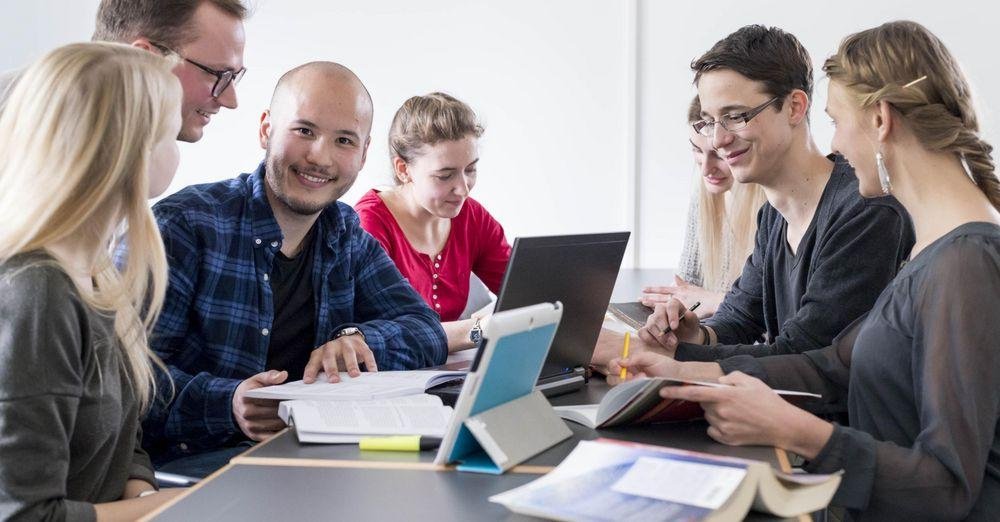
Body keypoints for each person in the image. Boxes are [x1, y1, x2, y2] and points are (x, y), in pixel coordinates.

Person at [614, 20, 1000, 519]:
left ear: (880, 120)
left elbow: (946, 487)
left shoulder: (966, 263)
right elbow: (831, 366)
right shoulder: (935, 250)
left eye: (837, 121)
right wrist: (679, 370)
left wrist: (795, 431)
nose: (835, 145)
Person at [141, 62, 448, 478]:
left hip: (318, 460)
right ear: (267, 128)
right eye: (304, 131)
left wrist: (358, 339)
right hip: (203, 468)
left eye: (343, 140)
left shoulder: (344, 233)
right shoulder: (185, 225)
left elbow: (426, 330)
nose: (319, 156)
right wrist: (229, 403)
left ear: (362, 153)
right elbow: (129, 380)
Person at [595, 25, 914, 367]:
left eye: (735, 117)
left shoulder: (866, 211)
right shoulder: (773, 216)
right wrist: (695, 335)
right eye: (708, 121)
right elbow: (739, 318)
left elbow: (803, 357)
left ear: (794, 107)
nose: (717, 139)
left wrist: (653, 353)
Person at [0, 42, 186, 519]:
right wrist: (177, 504)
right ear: (128, 151)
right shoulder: (38, 294)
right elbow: (25, 515)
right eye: (170, 134)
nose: (179, 147)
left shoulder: (98, 277)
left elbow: (121, 439)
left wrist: (145, 496)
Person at [356, 92, 511, 351]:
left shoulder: (471, 217)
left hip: (444, 374)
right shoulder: (369, 226)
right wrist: (478, 329)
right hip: (387, 382)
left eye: (470, 170)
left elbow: (528, 293)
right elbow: (388, 335)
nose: (463, 189)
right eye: (445, 175)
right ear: (403, 170)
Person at [641, 96, 767, 318]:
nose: (706, 169)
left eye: (718, 155)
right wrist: (673, 305)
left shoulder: (772, 211)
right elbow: (687, 287)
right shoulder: (704, 198)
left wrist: (715, 301)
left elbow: (773, 320)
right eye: (697, 150)